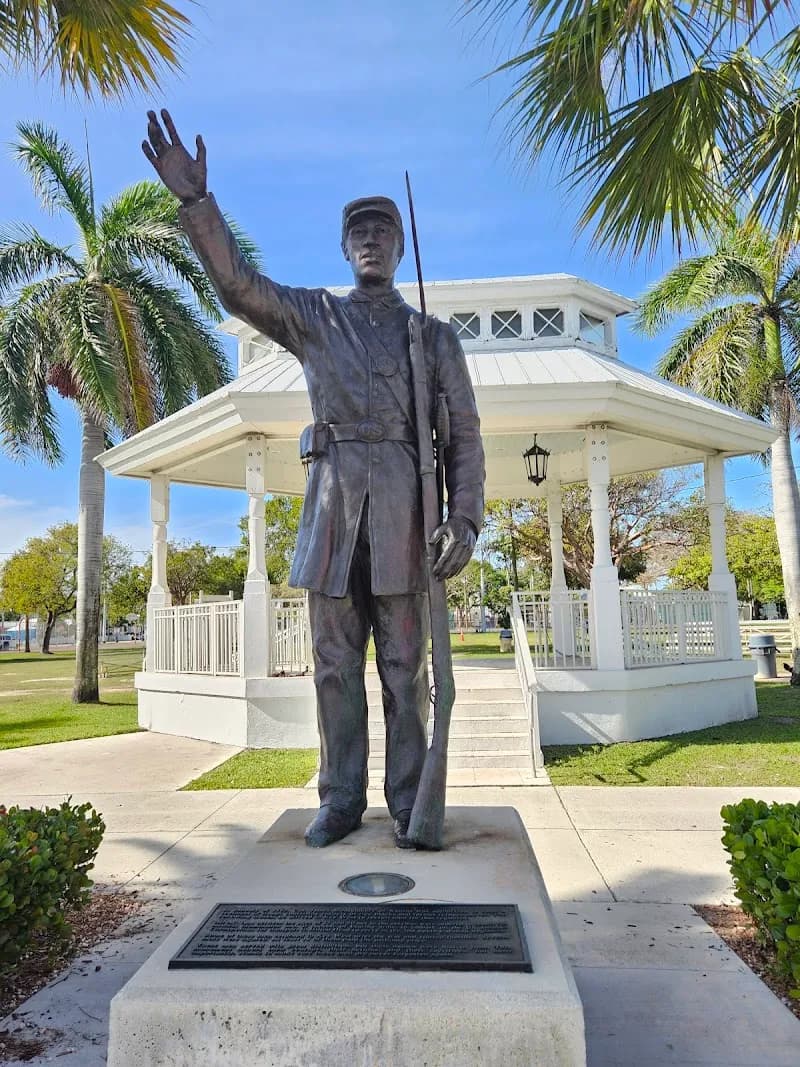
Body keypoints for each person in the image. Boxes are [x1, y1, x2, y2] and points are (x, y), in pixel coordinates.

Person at [143, 110, 485, 849]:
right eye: (358, 231)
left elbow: (463, 439)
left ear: (399, 246)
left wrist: (465, 519)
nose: (370, 239)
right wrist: (197, 205)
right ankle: (338, 799)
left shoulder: (434, 338)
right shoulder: (315, 317)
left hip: (404, 518)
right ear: (343, 246)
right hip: (331, 518)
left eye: (382, 231)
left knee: (404, 670)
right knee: (334, 668)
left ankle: (408, 804)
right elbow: (237, 286)